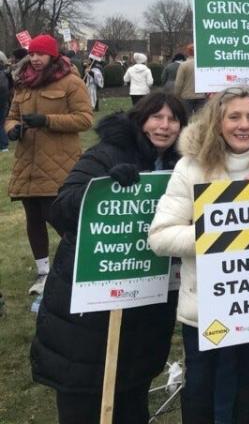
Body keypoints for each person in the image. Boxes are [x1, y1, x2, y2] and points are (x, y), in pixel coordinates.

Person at [32, 93, 188, 424]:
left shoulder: (182, 166)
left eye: (172, 119)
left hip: (147, 301)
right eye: (156, 117)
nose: (164, 126)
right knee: (84, 397)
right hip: (91, 303)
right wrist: (101, 189)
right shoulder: (106, 153)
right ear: (140, 119)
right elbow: (61, 208)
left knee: (131, 396)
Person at [148, 86, 249, 424]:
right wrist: (224, 229)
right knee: (202, 390)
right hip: (204, 309)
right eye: (234, 116)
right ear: (217, 121)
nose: (243, 125)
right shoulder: (191, 167)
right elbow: (161, 237)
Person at [6, 34, 94, 295]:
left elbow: (85, 119)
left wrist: (47, 120)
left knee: (57, 216)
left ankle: (80, 263)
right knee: (33, 216)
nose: (34, 58)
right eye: (31, 53)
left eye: (40, 54)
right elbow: (11, 116)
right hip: (28, 163)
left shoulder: (70, 82)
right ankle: (43, 271)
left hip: (59, 161)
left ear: (52, 55)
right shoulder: (24, 83)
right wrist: (12, 129)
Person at [174, 45, 207, 114]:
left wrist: (176, 95)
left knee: (186, 118)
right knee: (200, 118)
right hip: (201, 95)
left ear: (188, 52)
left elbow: (178, 83)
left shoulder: (184, 65)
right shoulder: (203, 63)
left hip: (186, 96)